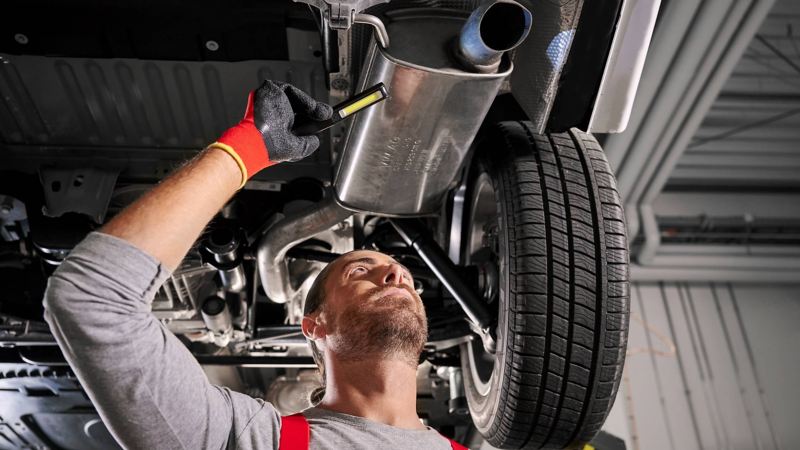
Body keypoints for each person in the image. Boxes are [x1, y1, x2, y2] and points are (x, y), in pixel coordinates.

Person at [43, 81, 468, 449]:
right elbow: (93, 298)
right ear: (315, 324)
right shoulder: (245, 439)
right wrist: (248, 147)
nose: (394, 274)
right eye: (360, 271)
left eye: (406, 278)